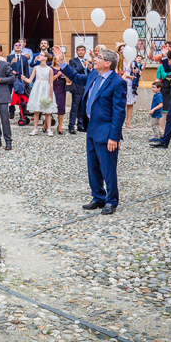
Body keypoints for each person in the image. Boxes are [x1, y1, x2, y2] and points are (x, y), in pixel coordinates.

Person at [56, 46, 126, 215]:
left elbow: (119, 112)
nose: (94, 59)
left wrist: (114, 137)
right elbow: (77, 78)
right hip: (92, 128)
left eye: (99, 57)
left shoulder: (118, 82)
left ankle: (111, 200)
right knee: (93, 166)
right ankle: (98, 197)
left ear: (108, 63)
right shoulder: (94, 75)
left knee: (108, 168)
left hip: (107, 130)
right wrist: (62, 62)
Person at [24, 52, 57, 136]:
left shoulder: (49, 69)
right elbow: (30, 80)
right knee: (36, 111)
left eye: (41, 55)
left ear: (45, 58)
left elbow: (51, 83)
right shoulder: (36, 68)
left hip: (46, 88)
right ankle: (35, 129)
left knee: (48, 111)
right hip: (37, 88)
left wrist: (51, 95)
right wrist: (25, 78)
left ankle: (49, 129)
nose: (39, 56)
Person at [67, 45, 90, 134]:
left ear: (85, 52)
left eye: (82, 50)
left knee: (82, 107)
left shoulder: (88, 61)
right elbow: (73, 71)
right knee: (75, 107)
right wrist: (82, 66)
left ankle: (81, 125)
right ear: (76, 52)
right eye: (79, 50)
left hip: (85, 87)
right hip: (77, 87)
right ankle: (71, 126)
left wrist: (89, 67)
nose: (81, 52)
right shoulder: (73, 61)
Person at [51, 55, 70, 135]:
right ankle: (46, 124)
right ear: (54, 60)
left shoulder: (64, 69)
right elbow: (49, 79)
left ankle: (60, 125)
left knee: (61, 108)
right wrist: (57, 75)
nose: (58, 61)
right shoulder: (50, 68)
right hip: (53, 89)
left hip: (62, 90)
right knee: (50, 107)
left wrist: (66, 77)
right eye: (57, 60)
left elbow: (69, 81)